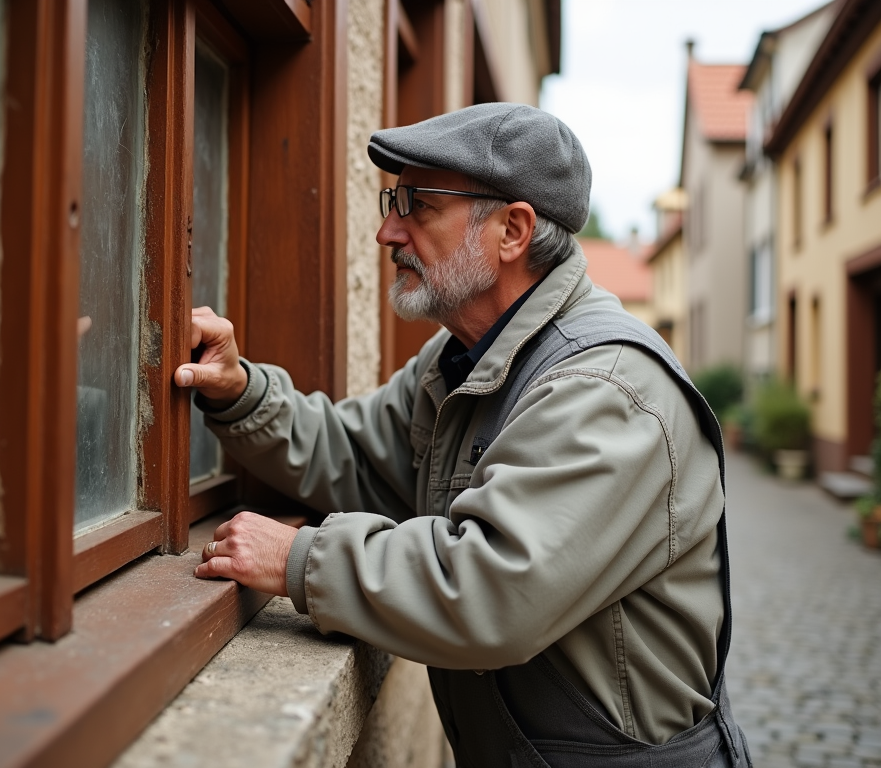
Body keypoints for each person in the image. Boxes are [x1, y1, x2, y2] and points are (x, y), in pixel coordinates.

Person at [172, 103, 750, 767]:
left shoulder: (607, 390)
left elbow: (496, 590)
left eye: (417, 204)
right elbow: (358, 457)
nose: (387, 231)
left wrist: (305, 559)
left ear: (513, 229)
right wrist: (239, 390)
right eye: (394, 199)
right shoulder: (466, 358)